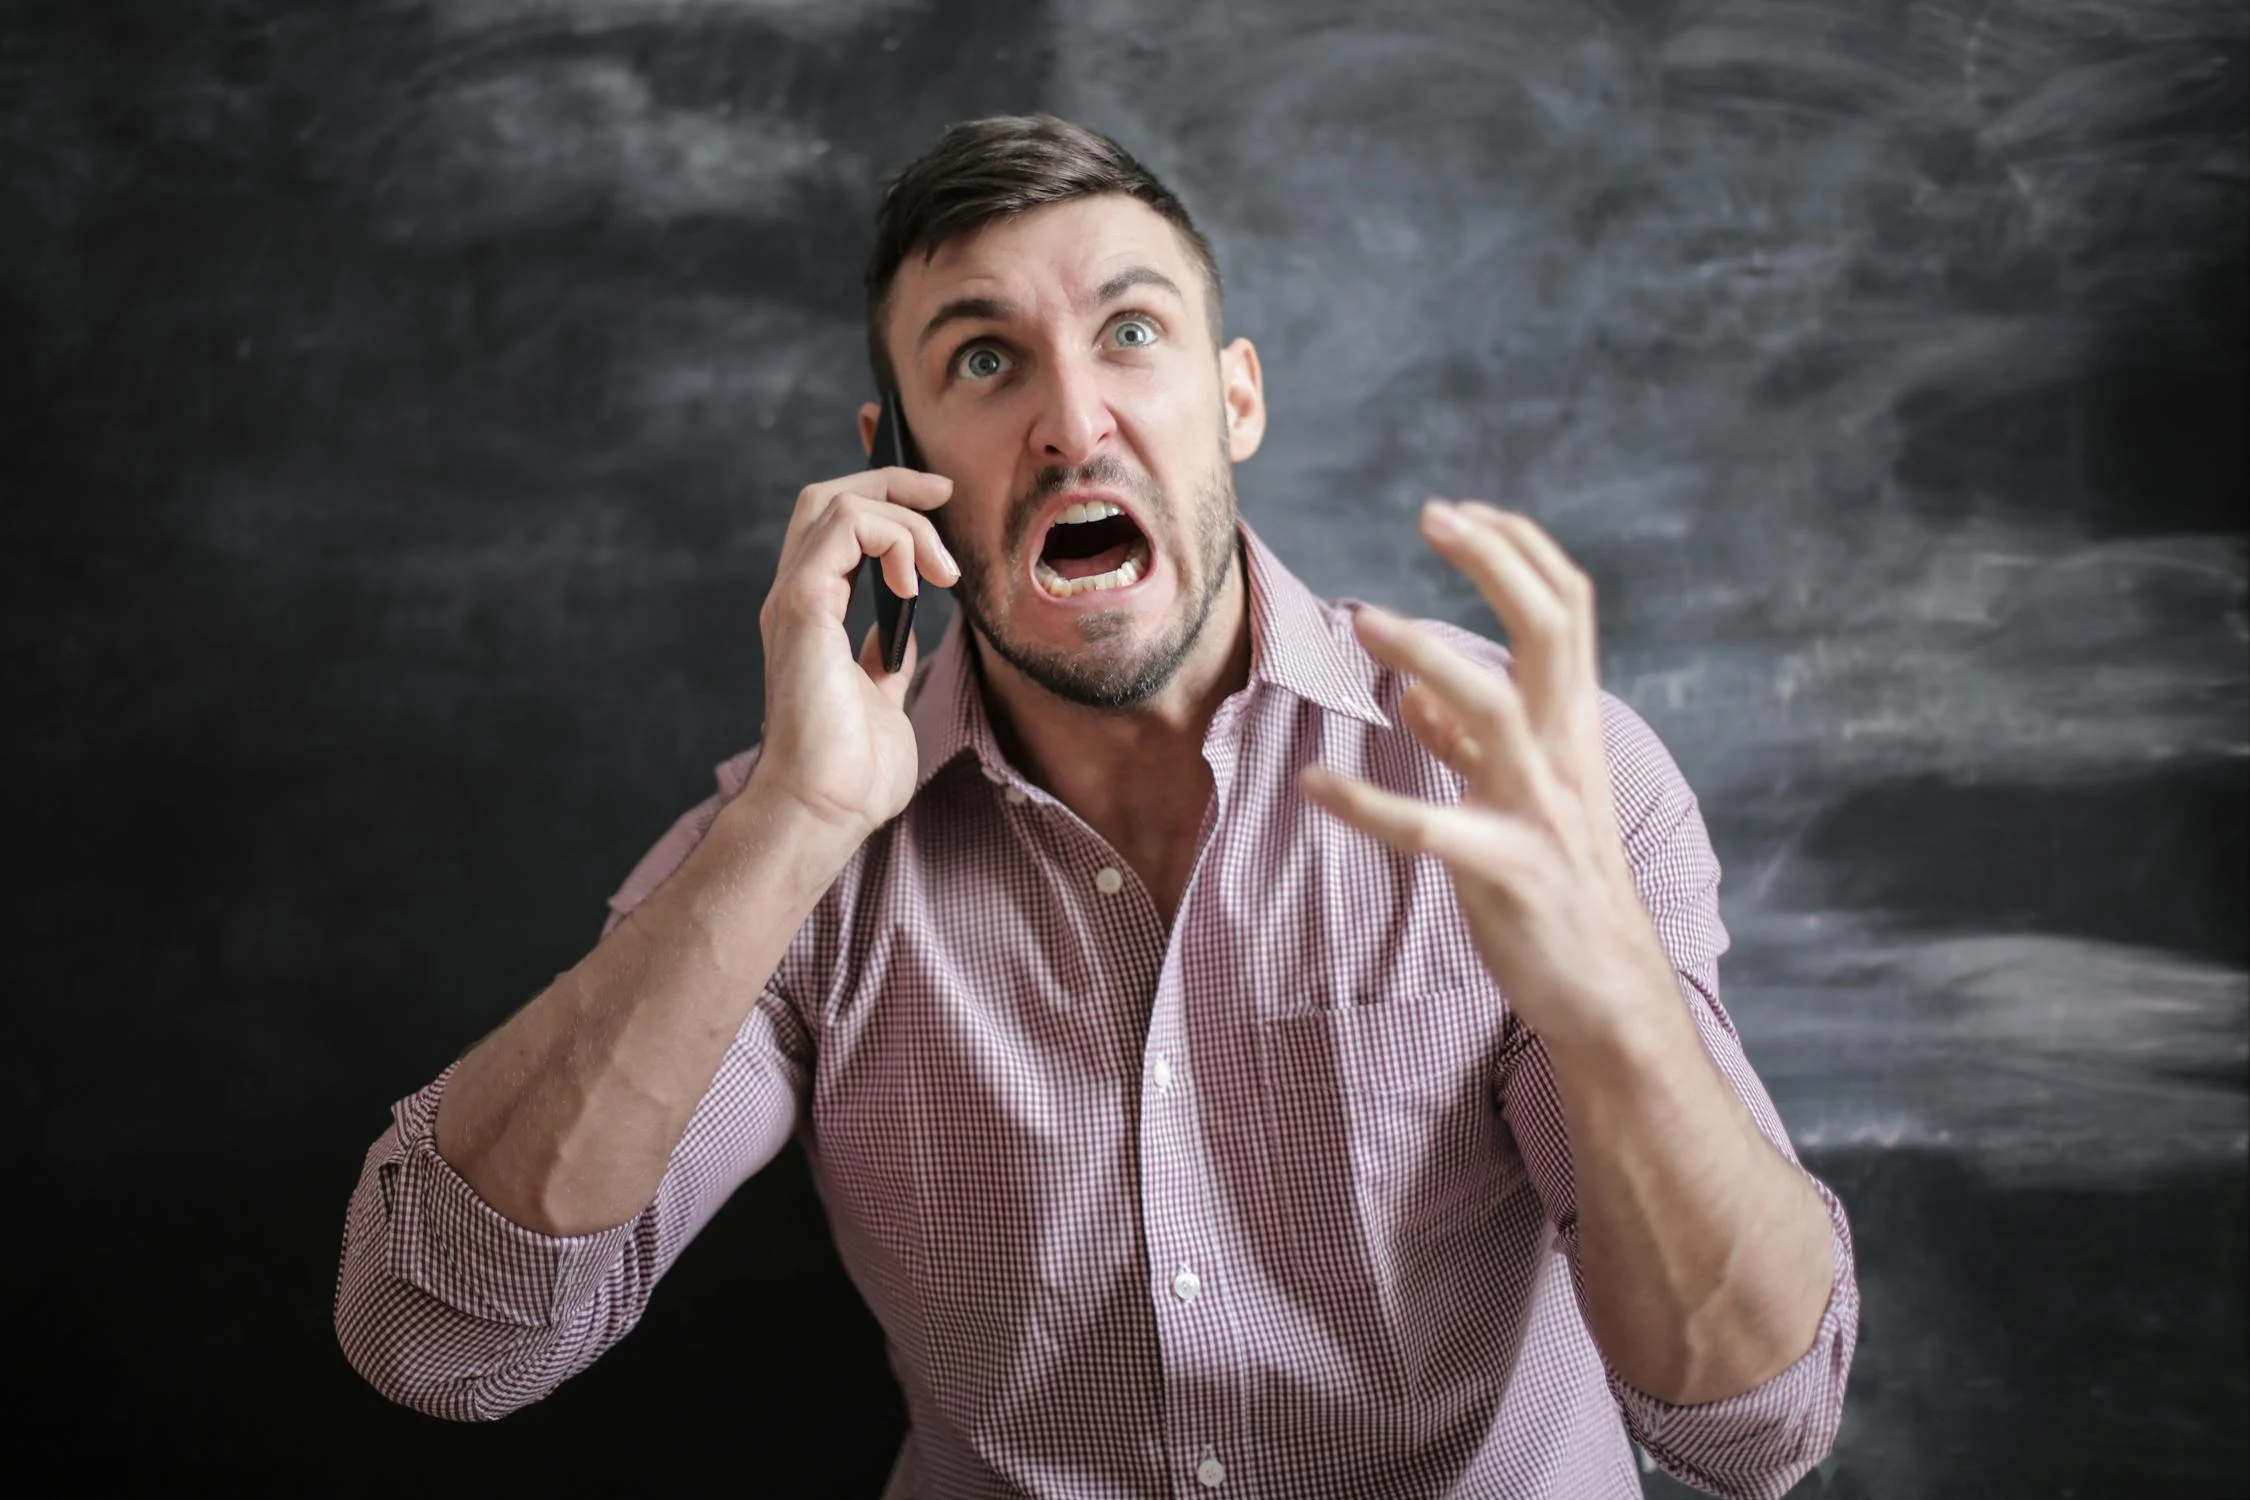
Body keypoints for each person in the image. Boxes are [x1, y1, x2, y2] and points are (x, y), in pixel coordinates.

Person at [335, 113, 1856, 1499]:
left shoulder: (1526, 774)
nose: (1072, 423)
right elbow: (447, 1343)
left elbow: (1748, 1429)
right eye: (983, 361)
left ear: (1233, 397)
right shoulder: (794, 851)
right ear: (897, 469)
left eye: (1130, 332)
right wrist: (793, 821)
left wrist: (1612, 1017)